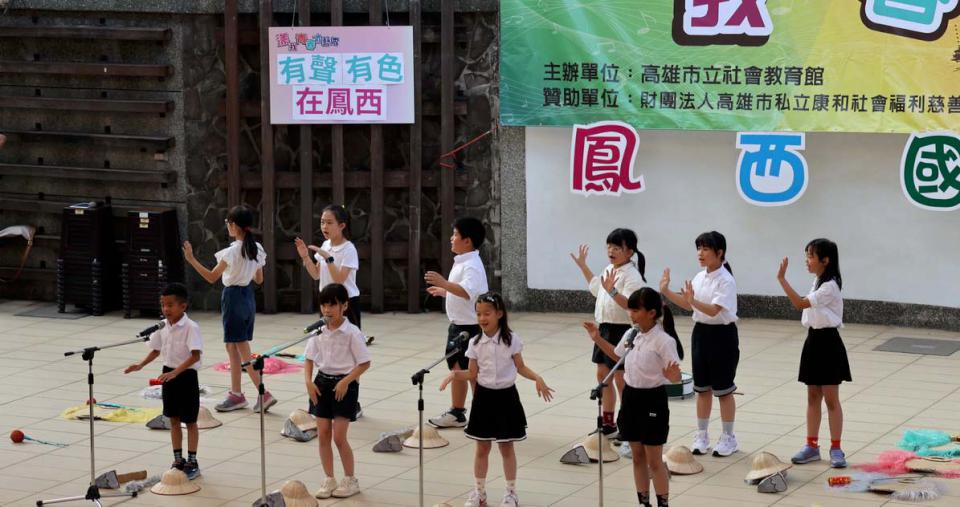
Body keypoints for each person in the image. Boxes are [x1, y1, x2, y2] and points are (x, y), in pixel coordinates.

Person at [441, 292, 554, 507]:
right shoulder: (474, 343)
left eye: (487, 313)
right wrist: (455, 375)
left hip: (506, 397)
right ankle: (479, 493)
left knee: (506, 447)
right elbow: (472, 373)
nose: (482, 318)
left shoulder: (511, 340)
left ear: (499, 314)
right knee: (482, 447)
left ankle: (511, 493)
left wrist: (537, 378)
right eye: (478, 314)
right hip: (484, 398)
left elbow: (520, 367)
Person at [585, 288, 682, 507]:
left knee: (654, 460)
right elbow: (617, 355)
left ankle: (663, 503)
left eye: (636, 310)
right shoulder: (631, 334)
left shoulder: (664, 341)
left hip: (653, 399)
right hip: (631, 397)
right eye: (631, 309)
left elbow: (675, 375)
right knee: (637, 455)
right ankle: (643, 502)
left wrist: (672, 375)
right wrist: (597, 338)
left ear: (651, 312)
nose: (631, 313)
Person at [183, 205, 276, 412]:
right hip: (248, 297)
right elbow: (259, 279)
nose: (227, 226)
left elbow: (211, 277)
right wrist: (246, 271)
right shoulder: (257, 248)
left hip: (233, 297)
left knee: (242, 350)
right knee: (232, 346)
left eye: (228, 223)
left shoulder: (233, 251)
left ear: (233, 225)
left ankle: (264, 394)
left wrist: (191, 260)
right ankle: (236, 394)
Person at [660, 231, 740, 457]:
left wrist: (692, 300)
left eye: (705, 249)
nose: (700, 253)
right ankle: (702, 434)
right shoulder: (700, 276)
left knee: (723, 390)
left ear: (720, 253)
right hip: (701, 334)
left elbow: (715, 311)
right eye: (699, 248)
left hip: (722, 336)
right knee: (702, 389)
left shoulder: (726, 280)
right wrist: (666, 291)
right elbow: (688, 305)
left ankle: (728, 437)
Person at [777, 238, 851, 468]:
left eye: (811, 256)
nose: (807, 261)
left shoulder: (830, 285)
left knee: (831, 399)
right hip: (813, 342)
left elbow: (800, 304)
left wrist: (781, 279)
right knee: (812, 396)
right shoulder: (818, 281)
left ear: (825, 260)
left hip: (829, 343)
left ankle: (836, 448)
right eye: (807, 256)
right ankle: (811, 446)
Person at [570, 228, 646, 436]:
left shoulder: (633, 276)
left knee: (621, 379)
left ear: (629, 252)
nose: (611, 251)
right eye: (609, 247)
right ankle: (608, 423)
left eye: (616, 248)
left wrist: (613, 291)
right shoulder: (609, 269)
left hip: (622, 330)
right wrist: (583, 266)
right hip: (604, 328)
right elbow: (597, 289)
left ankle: (627, 424)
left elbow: (632, 305)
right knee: (603, 376)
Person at [124, 283, 203, 479]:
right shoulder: (162, 326)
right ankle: (178, 459)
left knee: (190, 421)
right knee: (173, 419)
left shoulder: (191, 327)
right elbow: (156, 349)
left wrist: (176, 372)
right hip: (168, 374)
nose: (165, 309)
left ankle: (193, 461)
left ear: (183, 306)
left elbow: (195, 356)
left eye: (170, 305)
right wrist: (141, 364)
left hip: (186, 376)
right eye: (163, 305)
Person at [304, 283, 372, 499]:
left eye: (332, 305)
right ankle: (329, 478)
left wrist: (346, 381)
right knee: (323, 435)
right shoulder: (318, 330)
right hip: (321, 383)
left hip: (345, 386)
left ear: (344, 305)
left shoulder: (352, 332)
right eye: (324, 305)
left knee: (339, 437)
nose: (327, 310)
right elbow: (308, 358)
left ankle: (350, 479)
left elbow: (364, 363)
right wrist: (308, 381)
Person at [425, 216, 489, 428]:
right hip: (458, 325)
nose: (451, 239)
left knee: (472, 372)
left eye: (455, 235)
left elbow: (467, 291)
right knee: (457, 366)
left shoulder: (472, 265)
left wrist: (444, 283)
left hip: (470, 327)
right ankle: (457, 412)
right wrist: (444, 291)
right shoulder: (463, 261)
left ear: (467, 241)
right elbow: (461, 291)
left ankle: (482, 414)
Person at [295, 204, 362, 328]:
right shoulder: (325, 245)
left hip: (345, 302)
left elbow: (339, 280)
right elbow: (316, 275)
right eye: (322, 222)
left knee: (348, 340)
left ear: (341, 226)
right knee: (326, 339)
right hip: (326, 301)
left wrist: (328, 258)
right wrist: (305, 256)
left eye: (329, 223)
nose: (324, 226)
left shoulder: (349, 249)